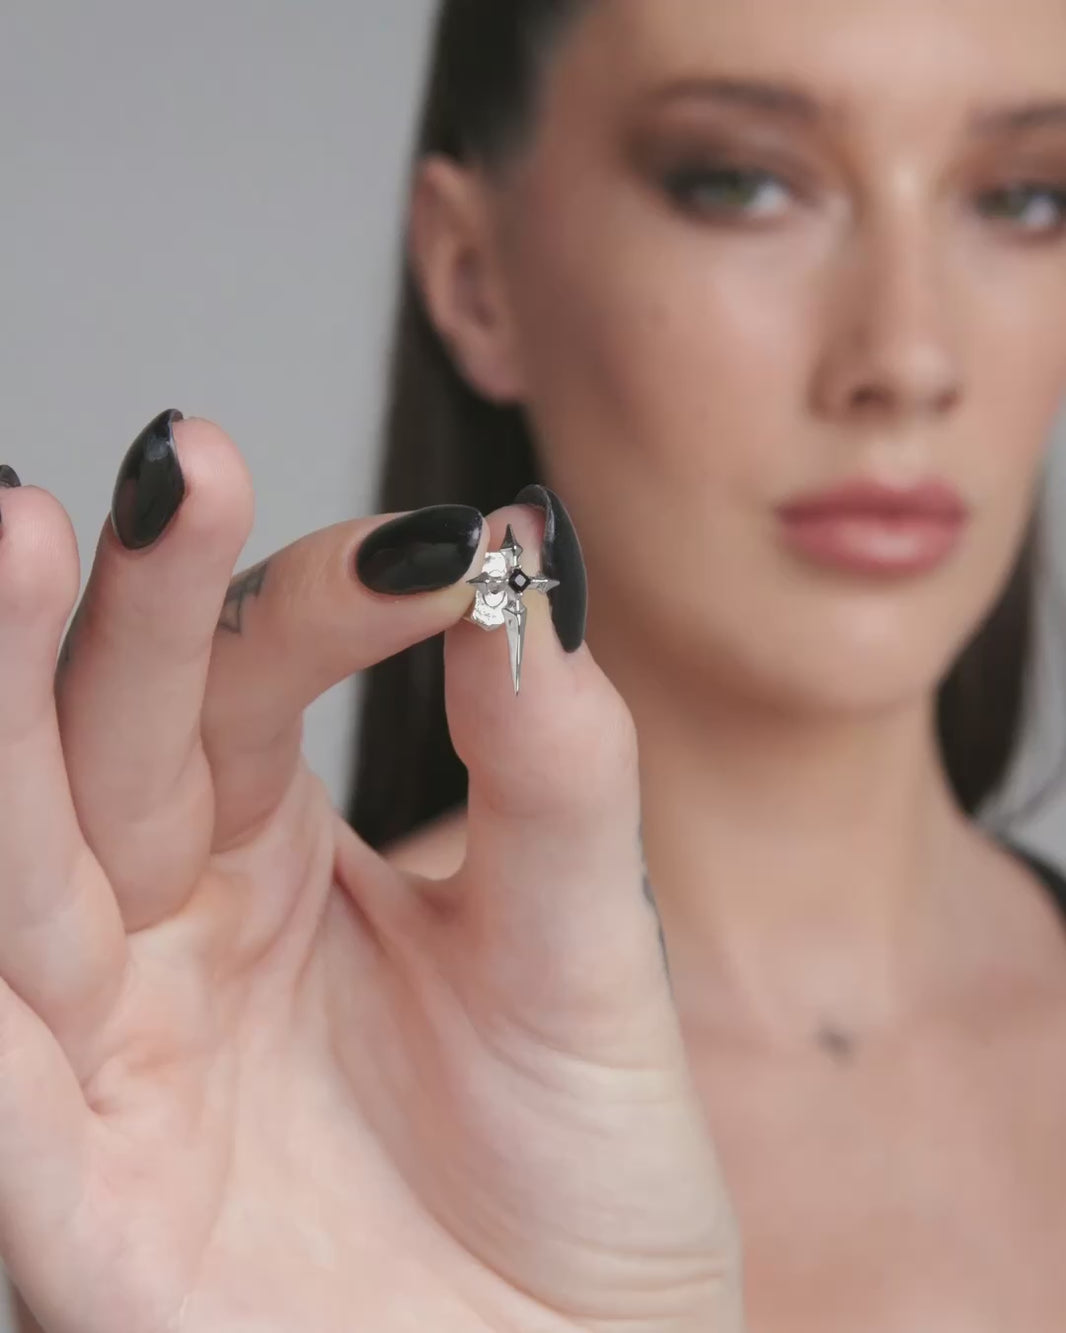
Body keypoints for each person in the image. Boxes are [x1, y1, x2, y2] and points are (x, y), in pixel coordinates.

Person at [8, 0, 1066, 1327]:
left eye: (1024, 198)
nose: (907, 358)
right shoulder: (238, 1126)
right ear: (473, 275)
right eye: (740, 183)